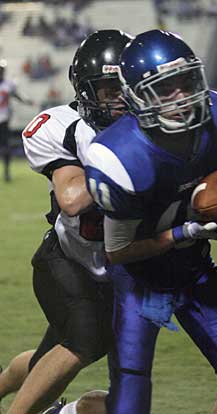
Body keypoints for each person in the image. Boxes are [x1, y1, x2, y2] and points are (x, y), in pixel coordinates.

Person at [84, 30, 217, 414]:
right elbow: (118, 252)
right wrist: (183, 231)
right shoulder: (119, 157)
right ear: (134, 95)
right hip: (139, 280)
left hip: (193, 268)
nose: (181, 97)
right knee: (129, 403)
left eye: (186, 83)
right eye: (164, 88)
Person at [7, 29, 132, 414]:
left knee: (48, 358)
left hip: (114, 270)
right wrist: (139, 169)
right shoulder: (68, 126)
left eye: (127, 87)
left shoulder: (153, 128)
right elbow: (73, 200)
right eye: (109, 90)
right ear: (86, 91)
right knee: (84, 341)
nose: (121, 100)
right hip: (66, 262)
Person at [0, 59, 33, 182]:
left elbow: (17, 95)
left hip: (3, 120)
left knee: (5, 147)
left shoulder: (8, 84)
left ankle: (7, 172)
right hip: (3, 118)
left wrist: (27, 101)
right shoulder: (7, 85)